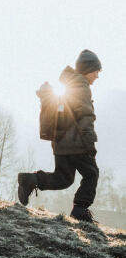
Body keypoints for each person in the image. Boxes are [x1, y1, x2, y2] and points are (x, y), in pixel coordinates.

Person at [18, 50, 101, 222]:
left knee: (63, 178)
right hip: (76, 143)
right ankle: (80, 209)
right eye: (96, 71)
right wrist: (90, 144)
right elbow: (85, 117)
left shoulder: (71, 85)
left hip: (61, 143)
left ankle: (30, 180)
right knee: (92, 173)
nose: (97, 76)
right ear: (87, 70)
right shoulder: (82, 87)